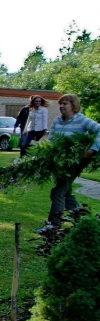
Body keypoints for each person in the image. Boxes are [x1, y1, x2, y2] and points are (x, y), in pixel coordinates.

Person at [46, 93, 100, 226]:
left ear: (73, 106)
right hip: (60, 161)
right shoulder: (57, 121)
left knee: (57, 192)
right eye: (60, 104)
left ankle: (53, 226)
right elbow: (51, 140)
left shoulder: (81, 120)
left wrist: (92, 149)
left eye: (65, 104)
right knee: (66, 193)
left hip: (75, 161)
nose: (61, 106)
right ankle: (84, 222)